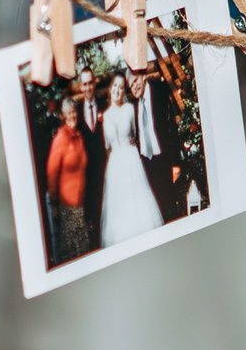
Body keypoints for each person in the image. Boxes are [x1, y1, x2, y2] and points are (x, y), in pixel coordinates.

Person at [94, 70, 165, 247]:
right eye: (115, 86)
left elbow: (139, 132)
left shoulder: (130, 109)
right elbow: (106, 147)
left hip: (132, 161)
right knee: (119, 210)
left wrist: (135, 143)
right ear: (110, 89)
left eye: (121, 87)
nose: (117, 90)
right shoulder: (104, 116)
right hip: (115, 167)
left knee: (138, 205)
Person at [43, 94, 94, 262]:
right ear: (64, 116)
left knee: (83, 249)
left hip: (80, 204)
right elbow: (52, 172)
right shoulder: (61, 137)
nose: (72, 115)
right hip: (67, 206)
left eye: (74, 112)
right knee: (74, 253)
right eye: (69, 113)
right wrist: (55, 204)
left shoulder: (78, 136)